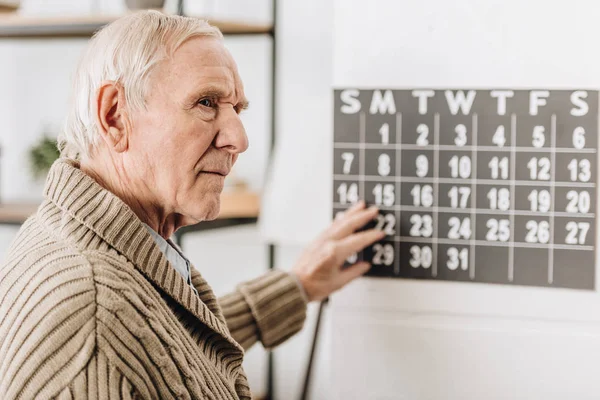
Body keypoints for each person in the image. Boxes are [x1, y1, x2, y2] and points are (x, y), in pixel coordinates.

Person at [0, 10, 384, 400]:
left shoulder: (83, 249)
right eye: (205, 103)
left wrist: (299, 285)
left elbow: (162, 350)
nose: (238, 138)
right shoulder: (92, 319)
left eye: (238, 109)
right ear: (114, 116)